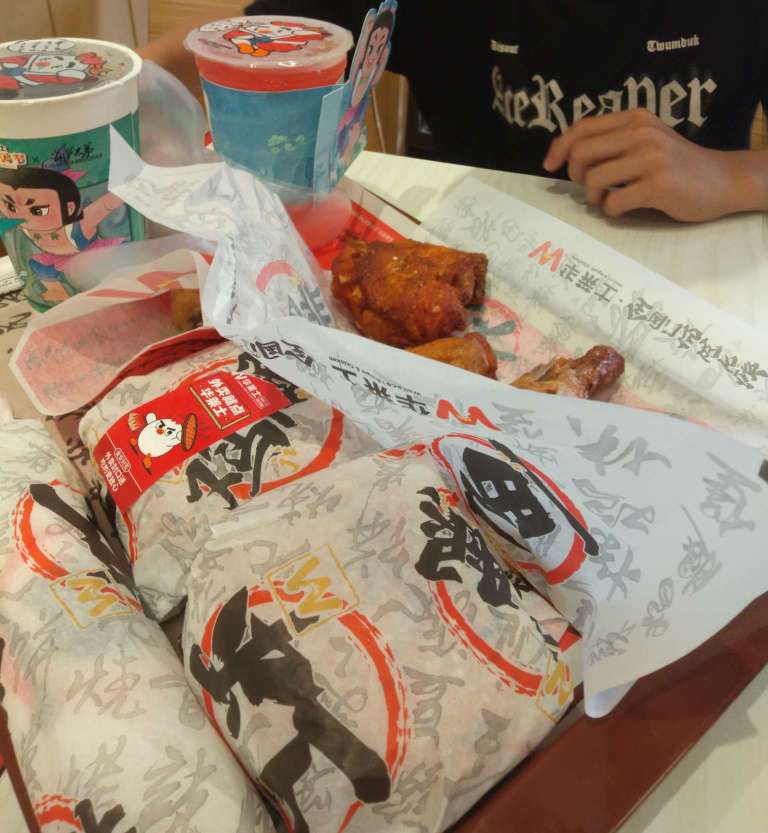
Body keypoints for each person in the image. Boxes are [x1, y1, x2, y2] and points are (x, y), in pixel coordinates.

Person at [140, 2, 768, 222]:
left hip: (699, 273)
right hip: (470, 260)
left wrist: (734, 176)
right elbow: (248, 39)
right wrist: (112, 90)